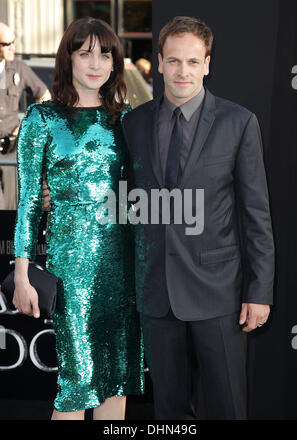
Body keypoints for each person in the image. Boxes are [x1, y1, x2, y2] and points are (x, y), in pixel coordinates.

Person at [122, 16, 275, 419]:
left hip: (218, 292)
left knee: (227, 406)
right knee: (169, 410)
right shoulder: (133, 123)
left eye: (192, 62)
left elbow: (256, 214)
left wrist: (259, 291)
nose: (182, 71)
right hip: (155, 293)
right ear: (158, 62)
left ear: (207, 63)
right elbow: (124, 203)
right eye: (173, 61)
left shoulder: (238, 122)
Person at [12, 17, 144, 420]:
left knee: (117, 385)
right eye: (85, 53)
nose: (95, 63)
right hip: (72, 270)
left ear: (115, 64)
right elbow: (29, 202)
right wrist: (21, 275)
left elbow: (140, 194)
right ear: (67, 58)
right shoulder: (42, 119)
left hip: (124, 269)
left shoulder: (127, 119)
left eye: (105, 54)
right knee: (75, 386)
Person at [0, 22, 51, 210]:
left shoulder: (18, 68)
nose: (13, 47)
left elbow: (44, 95)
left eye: (14, 42)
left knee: (9, 208)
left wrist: (27, 122)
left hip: (10, 151)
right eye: (7, 44)